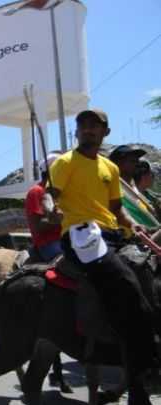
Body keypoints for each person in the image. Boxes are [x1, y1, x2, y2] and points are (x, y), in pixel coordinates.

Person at [49, 108, 157, 372]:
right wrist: (52, 206)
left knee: (147, 269)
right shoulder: (65, 162)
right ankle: (143, 343)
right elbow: (49, 194)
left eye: (94, 125)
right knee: (125, 276)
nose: (88, 129)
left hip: (112, 233)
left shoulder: (109, 168)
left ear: (104, 132)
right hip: (80, 234)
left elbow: (117, 210)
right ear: (77, 131)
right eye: (83, 124)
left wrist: (133, 225)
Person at [24, 152, 64, 261]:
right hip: (50, 243)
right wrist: (62, 219)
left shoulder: (62, 192)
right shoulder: (37, 191)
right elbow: (37, 226)